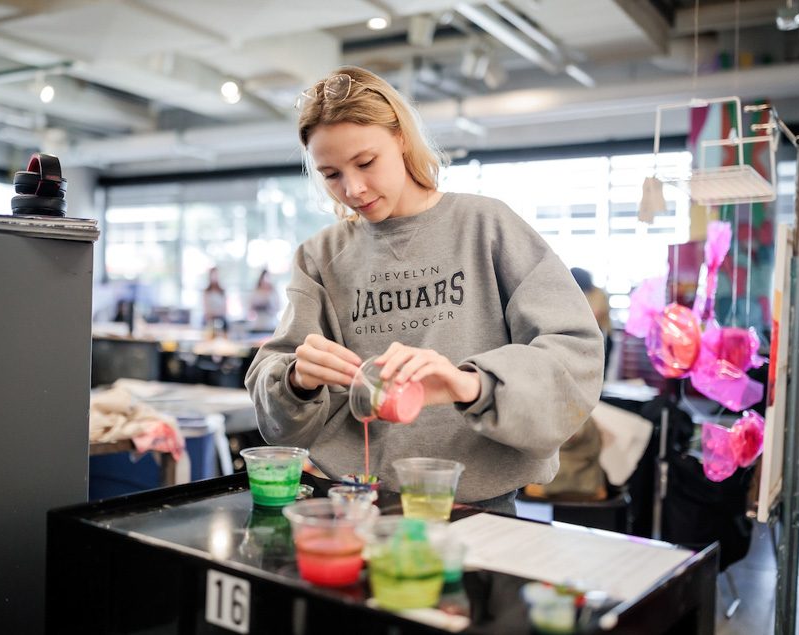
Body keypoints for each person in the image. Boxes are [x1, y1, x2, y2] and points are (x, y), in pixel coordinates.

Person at [245, 67, 604, 515]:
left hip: (480, 510)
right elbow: (274, 410)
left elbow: (575, 357)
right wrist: (297, 380)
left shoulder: (486, 226)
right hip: (354, 506)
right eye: (331, 173)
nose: (352, 189)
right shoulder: (320, 256)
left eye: (365, 162)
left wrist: (470, 385)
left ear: (400, 138)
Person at [571, 267, 612, 374]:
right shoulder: (578, 293)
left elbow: (593, 315)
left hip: (602, 337)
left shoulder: (598, 293)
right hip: (584, 337)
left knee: (598, 372)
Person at [202, 266, 227, 332]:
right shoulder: (206, 292)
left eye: (216, 274)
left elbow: (224, 307)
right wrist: (210, 315)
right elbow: (206, 307)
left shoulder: (222, 291)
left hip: (220, 317)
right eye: (212, 274)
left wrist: (219, 314)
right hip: (209, 318)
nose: (214, 277)